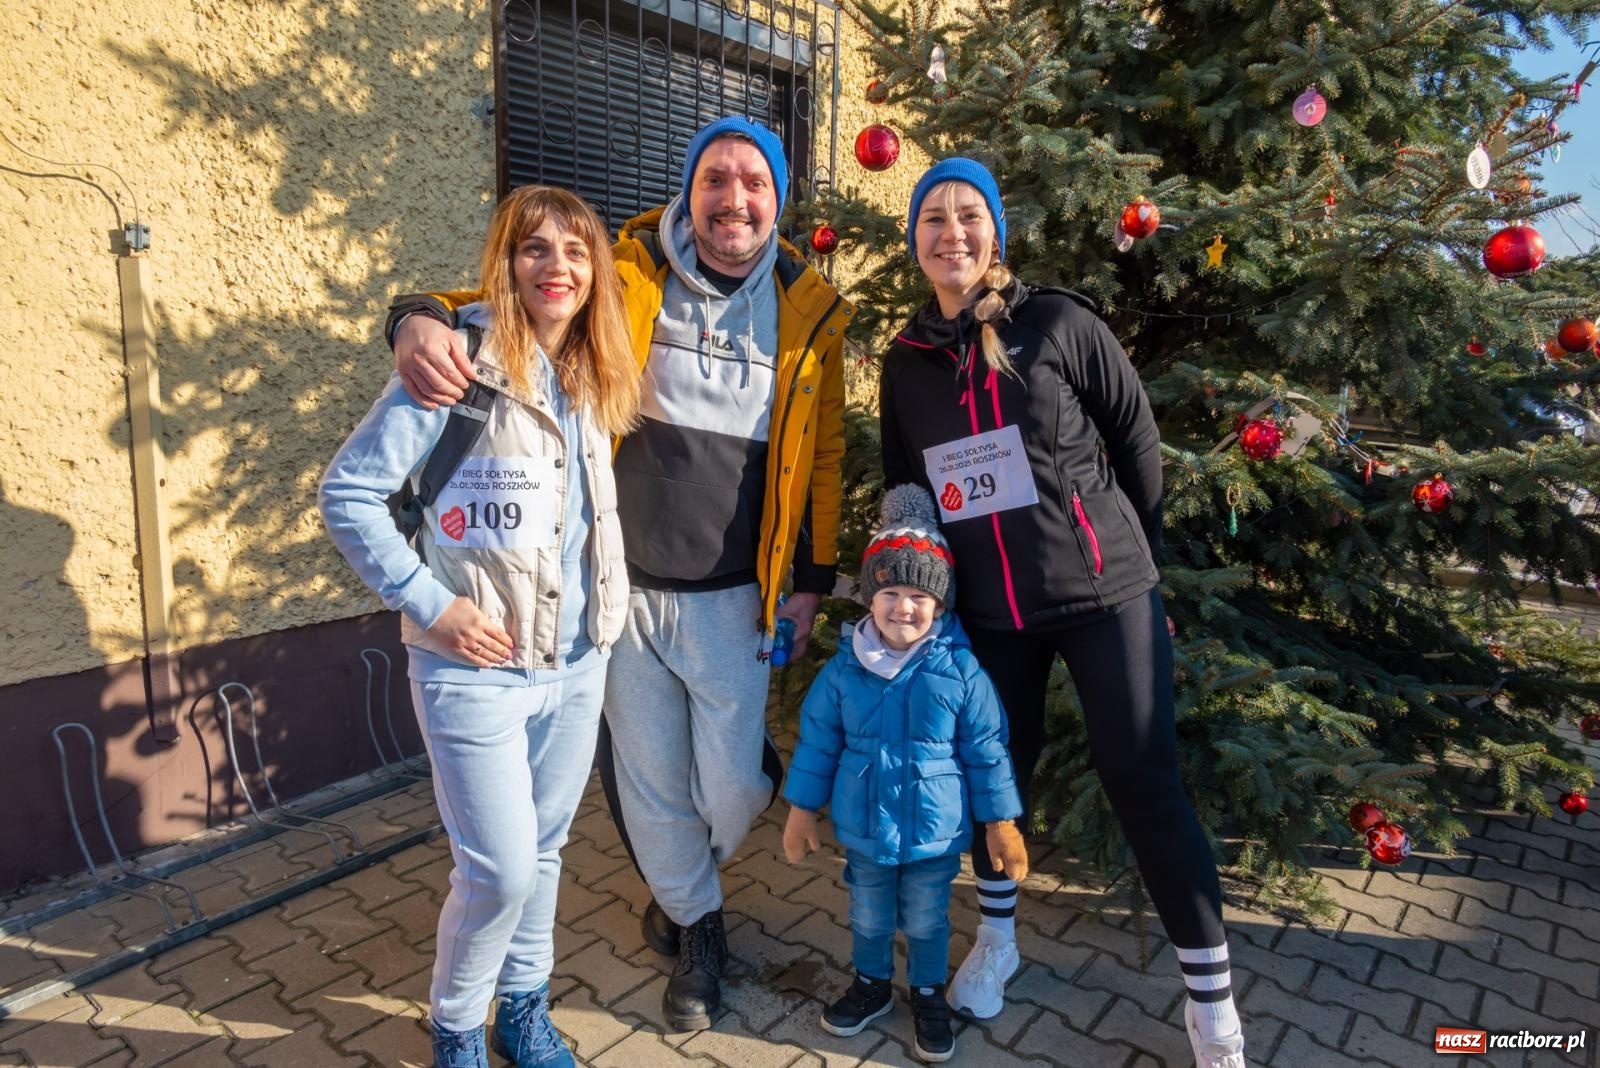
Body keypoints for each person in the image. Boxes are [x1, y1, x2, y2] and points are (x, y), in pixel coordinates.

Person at [386, 116, 853, 1031]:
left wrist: (813, 577)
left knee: (730, 789)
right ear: (690, 189)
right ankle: (697, 926)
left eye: (753, 181)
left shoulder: (807, 305)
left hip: (731, 600)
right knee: (646, 782)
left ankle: (698, 864)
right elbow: (505, 295)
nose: (734, 199)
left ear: (778, 198)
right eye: (715, 179)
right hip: (616, 594)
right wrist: (415, 317)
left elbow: (826, 452)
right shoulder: (628, 267)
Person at [878, 158, 1248, 1068]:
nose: (951, 233)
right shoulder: (907, 361)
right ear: (914, 238)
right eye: (933, 218)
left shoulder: (1058, 323)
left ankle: (1212, 1007)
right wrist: (909, 583)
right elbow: (905, 486)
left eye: (968, 216)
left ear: (995, 232)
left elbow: (1136, 439)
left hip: (1102, 593)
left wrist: (1132, 554)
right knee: (993, 782)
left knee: (1143, 778)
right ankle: (998, 943)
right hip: (992, 615)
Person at [319, 184, 640, 1067]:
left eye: (576, 252)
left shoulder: (592, 368)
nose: (558, 267)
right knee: (496, 868)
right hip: (473, 669)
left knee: (543, 853)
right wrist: (433, 605)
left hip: (576, 662)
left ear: (596, 272)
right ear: (504, 263)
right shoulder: (456, 362)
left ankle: (524, 1011)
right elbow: (347, 495)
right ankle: (457, 1025)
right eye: (535, 249)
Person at [781, 484, 1029, 1064]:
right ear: (869, 598)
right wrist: (800, 809)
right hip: (865, 830)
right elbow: (817, 743)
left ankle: (926, 994)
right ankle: (871, 985)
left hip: (933, 835)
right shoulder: (844, 671)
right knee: (867, 914)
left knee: (925, 918)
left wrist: (1000, 823)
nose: (903, 607)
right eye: (889, 591)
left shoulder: (962, 671)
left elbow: (987, 749)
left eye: (919, 594)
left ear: (940, 605)